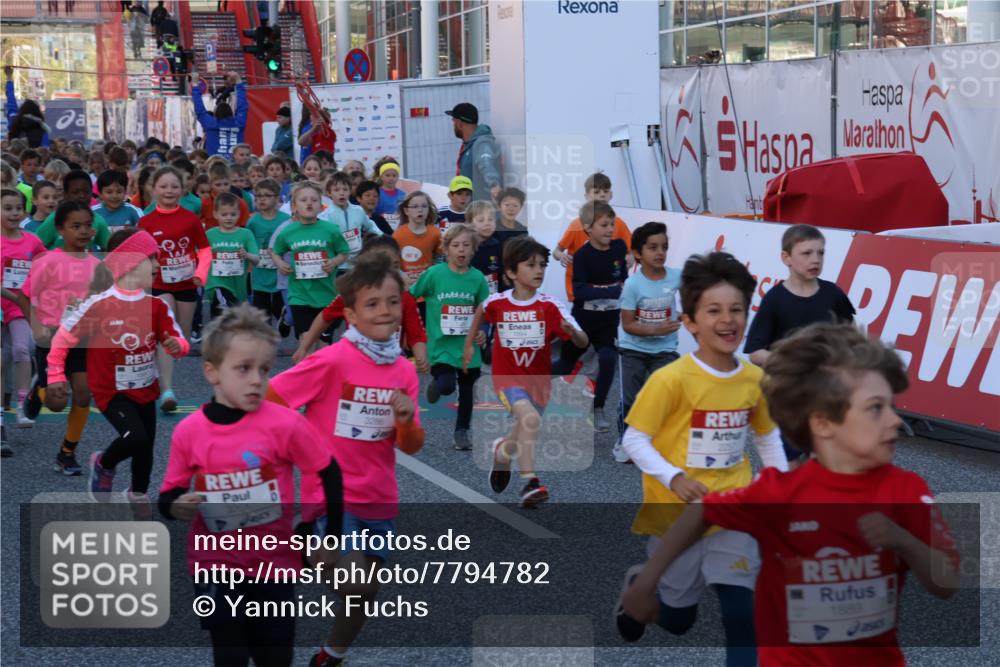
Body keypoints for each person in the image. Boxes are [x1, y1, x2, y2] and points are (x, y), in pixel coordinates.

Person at [622, 323, 960, 667]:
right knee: (728, 618)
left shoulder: (905, 489)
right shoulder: (782, 492)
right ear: (823, 423)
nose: (893, 420)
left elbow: (947, 583)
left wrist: (903, 541)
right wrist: (647, 581)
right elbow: (703, 512)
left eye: (891, 406)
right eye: (875, 408)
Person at [613, 251, 789, 665]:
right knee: (677, 621)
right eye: (713, 311)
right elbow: (636, 439)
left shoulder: (753, 379)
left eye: (736, 310)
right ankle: (641, 582)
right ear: (690, 322)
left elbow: (767, 437)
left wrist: (780, 484)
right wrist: (674, 477)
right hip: (677, 513)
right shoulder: (671, 379)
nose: (727, 320)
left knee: (742, 611)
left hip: (733, 508)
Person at [158, 304, 342, 667]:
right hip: (214, 564)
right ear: (211, 371)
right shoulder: (190, 432)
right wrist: (177, 506)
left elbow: (327, 470)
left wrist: (323, 533)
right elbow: (168, 495)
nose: (257, 379)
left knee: (273, 656)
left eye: (264, 369)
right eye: (243, 369)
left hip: (275, 565)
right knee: (230, 653)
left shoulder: (285, 424)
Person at [264, 253, 424, 667]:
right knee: (358, 585)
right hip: (332, 493)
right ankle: (305, 547)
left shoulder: (404, 371)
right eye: (372, 304)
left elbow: (410, 446)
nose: (384, 311)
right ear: (350, 315)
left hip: (379, 496)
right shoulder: (332, 360)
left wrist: (405, 421)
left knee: (364, 592)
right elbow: (272, 397)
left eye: (392, 302)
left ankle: (331, 655)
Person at [47, 228, 189, 515]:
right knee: (135, 438)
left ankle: (137, 494)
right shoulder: (99, 305)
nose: (159, 264)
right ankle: (104, 464)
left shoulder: (157, 305)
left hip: (145, 387)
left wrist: (178, 346)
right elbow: (63, 339)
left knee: (146, 449)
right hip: (111, 391)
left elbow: (179, 341)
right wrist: (55, 375)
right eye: (153, 258)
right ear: (131, 263)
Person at [463, 236, 588, 507]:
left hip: (539, 382)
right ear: (510, 272)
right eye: (531, 265)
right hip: (507, 379)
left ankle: (502, 452)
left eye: (543, 265)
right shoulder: (497, 302)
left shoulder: (550, 305)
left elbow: (583, 341)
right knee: (529, 419)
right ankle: (530, 481)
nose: (539, 270)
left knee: (525, 428)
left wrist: (573, 333)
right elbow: (479, 313)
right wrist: (469, 347)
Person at [744, 223, 855, 460]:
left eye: (820, 253)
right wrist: (794, 362)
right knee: (787, 465)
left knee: (828, 463)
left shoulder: (832, 294)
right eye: (806, 253)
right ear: (786, 257)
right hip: (787, 396)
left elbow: (850, 338)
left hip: (826, 391)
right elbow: (755, 352)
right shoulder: (775, 299)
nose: (815, 259)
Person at [21, 200, 101, 473]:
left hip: (83, 338)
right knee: (56, 404)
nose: (83, 231)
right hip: (51, 336)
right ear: (60, 229)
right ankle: (37, 392)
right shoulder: (49, 261)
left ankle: (67, 452)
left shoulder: (95, 264)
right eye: (75, 226)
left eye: (88, 225)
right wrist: (35, 326)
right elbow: (25, 295)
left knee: (83, 393)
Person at [292, 236, 429, 372]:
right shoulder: (353, 294)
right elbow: (325, 317)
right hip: (353, 363)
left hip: (389, 363)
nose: (391, 271)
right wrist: (304, 348)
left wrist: (421, 356)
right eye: (383, 266)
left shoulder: (405, 297)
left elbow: (416, 334)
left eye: (395, 265)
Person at [139, 166, 211, 412]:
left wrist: (201, 274)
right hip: (159, 285)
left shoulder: (190, 218)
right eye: (163, 186)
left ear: (182, 189)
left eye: (174, 186)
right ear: (154, 189)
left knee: (181, 340)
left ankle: (159, 367)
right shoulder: (146, 221)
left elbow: (205, 250)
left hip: (187, 284)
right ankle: (167, 390)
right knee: (167, 330)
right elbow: (140, 255)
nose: (169, 191)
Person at [411, 224, 490, 451]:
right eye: (456, 245)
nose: (461, 250)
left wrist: (483, 330)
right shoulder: (434, 274)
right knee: (446, 386)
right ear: (446, 249)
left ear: (473, 249)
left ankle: (461, 431)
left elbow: (484, 310)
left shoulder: (477, 279)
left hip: (468, 346)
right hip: (442, 344)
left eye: (466, 245)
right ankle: (437, 386)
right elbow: (411, 296)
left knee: (467, 390)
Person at [552, 201, 627, 433]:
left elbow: (622, 280)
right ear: (588, 228)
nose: (610, 229)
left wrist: (613, 291)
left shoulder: (619, 248)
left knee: (607, 359)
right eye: (604, 225)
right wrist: (607, 291)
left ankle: (597, 407)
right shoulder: (583, 255)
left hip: (608, 321)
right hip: (583, 319)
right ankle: (528, 378)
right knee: (565, 365)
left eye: (612, 224)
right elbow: (581, 291)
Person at [614, 221, 681, 464]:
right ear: (637, 254)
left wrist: (690, 314)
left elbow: (698, 292)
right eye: (653, 247)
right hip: (633, 349)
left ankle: (656, 440)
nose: (660, 252)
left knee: (662, 397)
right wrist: (657, 329)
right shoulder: (633, 284)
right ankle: (624, 439)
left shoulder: (676, 276)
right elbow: (628, 325)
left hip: (665, 350)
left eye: (664, 246)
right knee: (632, 398)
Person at [270, 181, 350, 345]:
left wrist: (334, 261)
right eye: (303, 200)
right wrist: (280, 264)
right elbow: (275, 251)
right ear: (294, 206)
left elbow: (344, 252)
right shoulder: (288, 231)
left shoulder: (331, 230)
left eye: (314, 200)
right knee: (306, 342)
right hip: (300, 295)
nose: (309, 203)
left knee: (323, 345)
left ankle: (323, 370)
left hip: (326, 294)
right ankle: (305, 368)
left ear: (321, 206)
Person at [1, 188, 45, 428]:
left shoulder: (32, 240)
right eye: (7, 208)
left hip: (19, 309)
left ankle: (21, 406)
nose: (14, 213)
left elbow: (47, 265)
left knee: (20, 350)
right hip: (4, 305)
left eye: (18, 208)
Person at [205, 192, 259, 319]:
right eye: (224, 214)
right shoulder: (209, 235)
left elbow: (257, 260)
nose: (229, 218)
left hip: (238, 286)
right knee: (225, 312)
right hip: (216, 285)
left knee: (227, 326)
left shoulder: (246, 234)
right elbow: (201, 258)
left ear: (239, 214)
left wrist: (246, 255)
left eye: (233, 214)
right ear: (215, 214)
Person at [247, 177, 290, 326]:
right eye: (258, 196)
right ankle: (265, 346)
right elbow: (248, 243)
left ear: (277, 198)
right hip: (260, 275)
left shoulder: (286, 220)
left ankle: (284, 321)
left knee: (279, 309)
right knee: (262, 316)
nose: (262, 199)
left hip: (280, 274)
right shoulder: (252, 221)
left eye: (267, 195)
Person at [319, 171, 382, 271]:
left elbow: (370, 226)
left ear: (350, 191)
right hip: (337, 266)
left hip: (357, 264)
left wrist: (380, 236)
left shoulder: (358, 210)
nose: (341, 193)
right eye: (336, 190)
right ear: (329, 192)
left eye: (345, 189)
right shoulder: (324, 216)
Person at [36, 170, 111, 250]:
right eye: (75, 192)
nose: (82, 196)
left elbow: (111, 248)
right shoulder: (55, 218)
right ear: (65, 194)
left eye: (86, 192)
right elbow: (35, 246)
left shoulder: (98, 220)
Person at [447, 102, 501, 203]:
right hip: (470, 209)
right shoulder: (469, 145)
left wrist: (494, 184)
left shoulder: (481, 143)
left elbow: (485, 163)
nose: (453, 125)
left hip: (479, 211)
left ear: (459, 123)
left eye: (453, 122)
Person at [191, 71, 248, 160]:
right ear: (231, 113)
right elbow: (242, 106)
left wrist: (195, 84)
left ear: (215, 114)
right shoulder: (239, 123)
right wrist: (238, 80)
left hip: (215, 167)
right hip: (236, 168)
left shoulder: (210, 123)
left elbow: (199, 109)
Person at [391, 190, 441, 289]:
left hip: (428, 287)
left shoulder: (435, 233)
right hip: (406, 287)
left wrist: (431, 273)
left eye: (424, 206)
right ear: (406, 211)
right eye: (415, 206)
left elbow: (440, 259)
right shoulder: (398, 235)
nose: (420, 210)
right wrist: (402, 276)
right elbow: (393, 262)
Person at [5, 66, 50, 148]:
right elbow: (45, 149)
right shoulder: (42, 129)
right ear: (37, 112)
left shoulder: (14, 121)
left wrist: (9, 77)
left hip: (16, 159)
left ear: (22, 110)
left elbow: (10, 99)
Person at [200, 162, 250, 229]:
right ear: (210, 184)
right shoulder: (204, 203)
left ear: (230, 182)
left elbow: (245, 226)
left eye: (226, 184)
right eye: (218, 185)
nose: (222, 188)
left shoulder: (240, 203)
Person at [93, 170, 144, 234]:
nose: (114, 196)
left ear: (125, 192)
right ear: (100, 193)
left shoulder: (133, 211)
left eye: (119, 192)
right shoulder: (93, 213)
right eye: (109, 192)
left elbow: (145, 233)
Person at [492, 187, 528, 255]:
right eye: (507, 205)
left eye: (515, 205)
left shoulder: (523, 230)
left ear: (521, 208)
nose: (511, 209)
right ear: (499, 206)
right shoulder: (492, 229)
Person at [374, 162, 404, 230]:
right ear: (381, 177)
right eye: (387, 175)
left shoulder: (402, 195)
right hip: (381, 227)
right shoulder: (376, 193)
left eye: (394, 175)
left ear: (397, 177)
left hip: (399, 228)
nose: (391, 178)